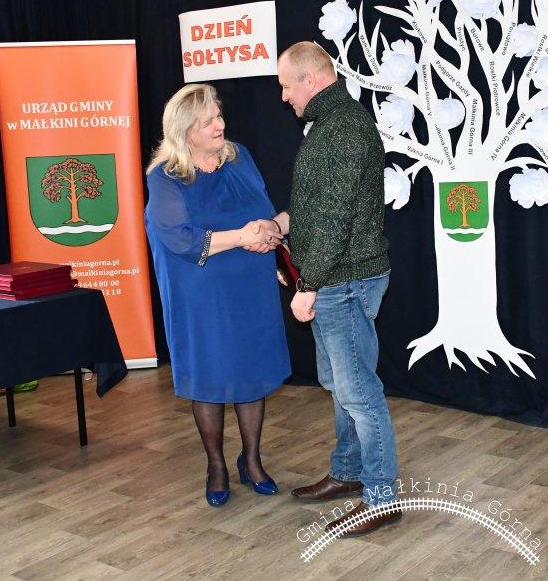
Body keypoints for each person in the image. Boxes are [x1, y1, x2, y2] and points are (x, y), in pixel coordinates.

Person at [269, 41, 400, 536]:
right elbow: (318, 207)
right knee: (342, 386)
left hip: (343, 282)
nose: (284, 96)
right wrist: (282, 227)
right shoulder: (330, 124)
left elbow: (336, 220)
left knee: (359, 392)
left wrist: (308, 284)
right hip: (337, 278)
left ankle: (381, 499)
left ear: (310, 80)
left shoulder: (342, 129)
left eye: (286, 86)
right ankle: (348, 471)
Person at [144, 83, 290, 507]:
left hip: (249, 285)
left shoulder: (239, 156)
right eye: (207, 121)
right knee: (209, 378)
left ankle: (252, 460)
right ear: (185, 131)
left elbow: (262, 210)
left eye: (219, 115)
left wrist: (267, 238)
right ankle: (216, 465)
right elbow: (180, 239)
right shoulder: (166, 177)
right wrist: (242, 236)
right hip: (202, 296)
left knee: (252, 372)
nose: (219, 125)